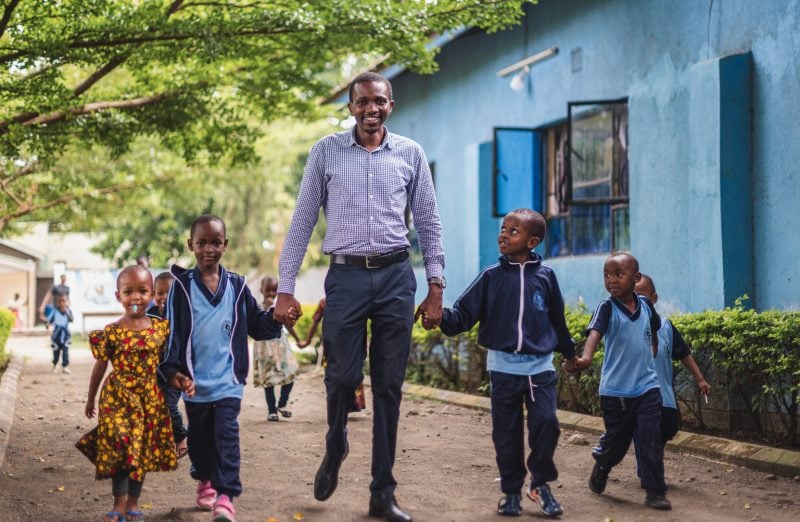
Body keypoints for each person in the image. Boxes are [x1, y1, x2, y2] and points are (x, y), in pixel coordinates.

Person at [274, 71, 445, 522]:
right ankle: (336, 444)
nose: (372, 109)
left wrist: (435, 286)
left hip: (395, 277)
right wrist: (285, 288)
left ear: (392, 104)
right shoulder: (325, 152)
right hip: (346, 279)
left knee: (389, 386)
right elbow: (302, 221)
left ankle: (382, 492)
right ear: (351, 107)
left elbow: (429, 221)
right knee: (341, 377)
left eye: (380, 101)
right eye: (363, 102)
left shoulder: (410, 154)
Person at [438, 209, 576, 518]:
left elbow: (558, 321)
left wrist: (570, 354)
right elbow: (463, 314)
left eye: (513, 231)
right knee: (506, 433)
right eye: (503, 228)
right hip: (503, 369)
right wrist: (440, 319)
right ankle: (511, 491)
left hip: (540, 370)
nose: (503, 234)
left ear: (532, 241)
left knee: (546, 425)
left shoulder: (547, 277)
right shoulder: (490, 277)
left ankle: (540, 484)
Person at [158, 214, 288, 522]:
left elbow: (257, 324)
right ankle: (204, 478)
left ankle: (226, 496)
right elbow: (172, 332)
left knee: (227, 435)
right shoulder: (181, 287)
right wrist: (172, 370)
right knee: (200, 440)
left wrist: (277, 318)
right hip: (194, 383)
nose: (208, 250)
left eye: (215, 243)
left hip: (229, 380)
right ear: (191, 245)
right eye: (201, 243)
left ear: (225, 245)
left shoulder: (238, 286)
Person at [564, 252, 671, 510]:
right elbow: (594, 334)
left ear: (636, 278)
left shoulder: (646, 306)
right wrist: (586, 358)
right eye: (607, 275)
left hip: (647, 386)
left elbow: (654, 328)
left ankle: (655, 490)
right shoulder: (607, 307)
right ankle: (602, 462)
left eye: (618, 275)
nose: (611, 280)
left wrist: (653, 348)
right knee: (618, 443)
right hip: (616, 392)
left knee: (649, 439)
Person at [76, 265, 177, 522]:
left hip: (148, 398)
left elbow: (170, 362)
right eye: (128, 291)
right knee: (120, 447)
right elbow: (100, 366)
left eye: (142, 291)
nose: (136, 297)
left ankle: (133, 503)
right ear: (118, 295)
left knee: (140, 451)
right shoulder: (111, 331)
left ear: (153, 295)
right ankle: (118, 504)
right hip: (117, 396)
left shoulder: (161, 329)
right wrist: (90, 398)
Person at [633, 274, 711, 457]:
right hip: (638, 397)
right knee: (645, 437)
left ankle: (650, 466)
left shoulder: (665, 326)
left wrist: (700, 380)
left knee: (667, 429)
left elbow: (683, 353)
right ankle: (650, 474)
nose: (640, 302)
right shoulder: (625, 325)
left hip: (664, 398)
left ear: (654, 298)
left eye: (644, 297)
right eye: (634, 297)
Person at [146, 272, 189, 459]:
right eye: (160, 293)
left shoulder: (181, 316)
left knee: (168, 406)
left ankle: (181, 436)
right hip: (152, 372)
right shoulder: (148, 316)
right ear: (153, 295)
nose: (164, 297)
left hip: (174, 373)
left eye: (169, 293)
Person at [253, 276, 302, 422]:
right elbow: (254, 324)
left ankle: (282, 403)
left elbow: (287, 324)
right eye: (268, 290)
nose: (271, 294)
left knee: (290, 373)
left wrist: (298, 339)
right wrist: (266, 308)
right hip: (264, 348)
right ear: (261, 290)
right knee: (269, 380)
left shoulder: (280, 307)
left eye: (274, 290)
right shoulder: (257, 307)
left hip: (280, 346)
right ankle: (271, 410)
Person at [47, 293, 73, 374]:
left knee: (65, 350)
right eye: (60, 301)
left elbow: (71, 320)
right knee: (56, 350)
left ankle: (65, 366)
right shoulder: (54, 311)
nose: (62, 303)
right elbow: (49, 321)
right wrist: (47, 325)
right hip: (56, 334)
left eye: (64, 301)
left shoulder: (68, 311)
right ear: (58, 303)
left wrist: (67, 312)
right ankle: (55, 365)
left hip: (65, 334)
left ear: (67, 302)